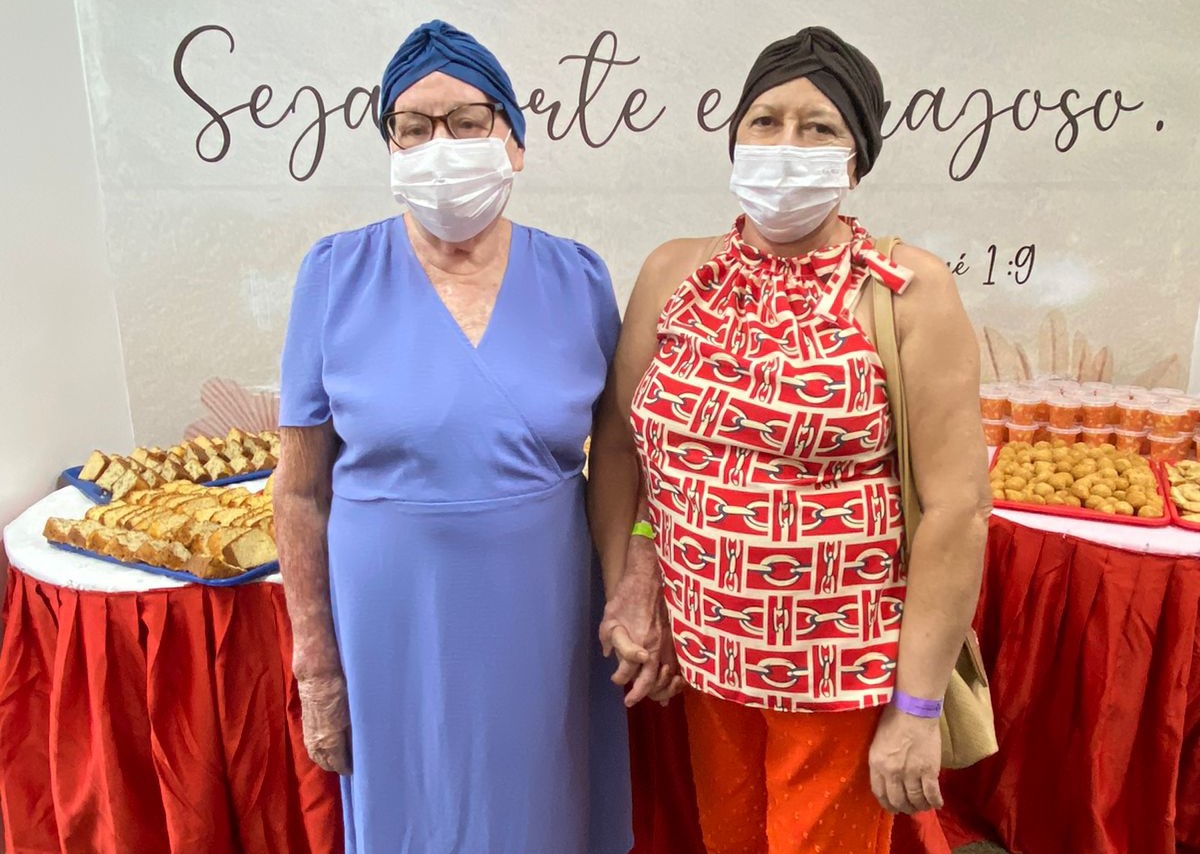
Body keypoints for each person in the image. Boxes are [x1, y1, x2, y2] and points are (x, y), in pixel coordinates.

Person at [588, 25, 991, 854]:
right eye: (765, 121)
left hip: (842, 676)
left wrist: (916, 708)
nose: (785, 144)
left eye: (819, 127)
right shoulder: (675, 272)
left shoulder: (906, 290)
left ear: (857, 156)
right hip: (703, 665)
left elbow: (957, 507)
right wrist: (632, 577)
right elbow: (622, 443)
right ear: (733, 138)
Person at [274, 20, 632, 854]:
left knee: (541, 811)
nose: (442, 145)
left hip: (541, 618)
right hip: (389, 623)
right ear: (390, 147)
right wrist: (317, 662)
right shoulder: (333, 274)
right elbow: (297, 489)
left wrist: (633, 580)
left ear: (512, 137)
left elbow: (621, 463)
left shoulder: (579, 278)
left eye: (467, 122)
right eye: (415, 127)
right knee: (413, 816)